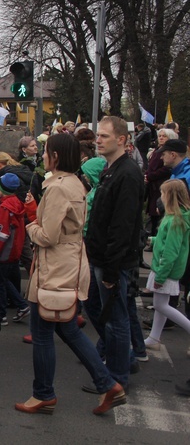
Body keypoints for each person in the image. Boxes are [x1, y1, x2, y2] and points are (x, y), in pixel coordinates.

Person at [17, 133, 126, 415]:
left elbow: (48, 236)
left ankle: (43, 394)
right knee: (66, 328)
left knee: (42, 333)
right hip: (69, 264)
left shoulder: (58, 188)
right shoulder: (74, 183)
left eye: (46, 152)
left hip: (54, 269)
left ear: (56, 156)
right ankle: (107, 383)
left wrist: (30, 222)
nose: (42, 156)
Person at [85, 117, 143, 396]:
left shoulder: (127, 173)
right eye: (98, 135)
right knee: (95, 309)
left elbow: (123, 226)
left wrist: (110, 269)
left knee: (116, 319)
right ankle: (123, 359)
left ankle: (117, 376)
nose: (98, 140)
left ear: (121, 140)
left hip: (112, 261)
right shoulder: (111, 170)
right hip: (99, 256)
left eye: (104, 136)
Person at [143, 179, 190, 351]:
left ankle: (155, 337)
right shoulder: (178, 218)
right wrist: (152, 240)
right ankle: (154, 337)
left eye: (162, 193)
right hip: (167, 269)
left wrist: (161, 276)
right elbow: (168, 243)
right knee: (160, 304)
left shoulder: (175, 220)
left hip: (165, 269)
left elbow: (170, 252)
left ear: (169, 196)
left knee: (161, 305)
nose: (160, 197)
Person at [0, 173, 30, 325]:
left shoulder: (4, 208)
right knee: (4, 280)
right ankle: (21, 306)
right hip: (13, 250)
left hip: (3, 252)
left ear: (1, 190)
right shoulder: (16, 203)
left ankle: (1, 314)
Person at [145, 128, 176, 236]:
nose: (161, 138)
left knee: (158, 213)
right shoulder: (157, 150)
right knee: (153, 214)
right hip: (152, 186)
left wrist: (150, 176)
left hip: (160, 185)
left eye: (164, 136)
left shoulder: (168, 152)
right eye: (160, 136)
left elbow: (166, 169)